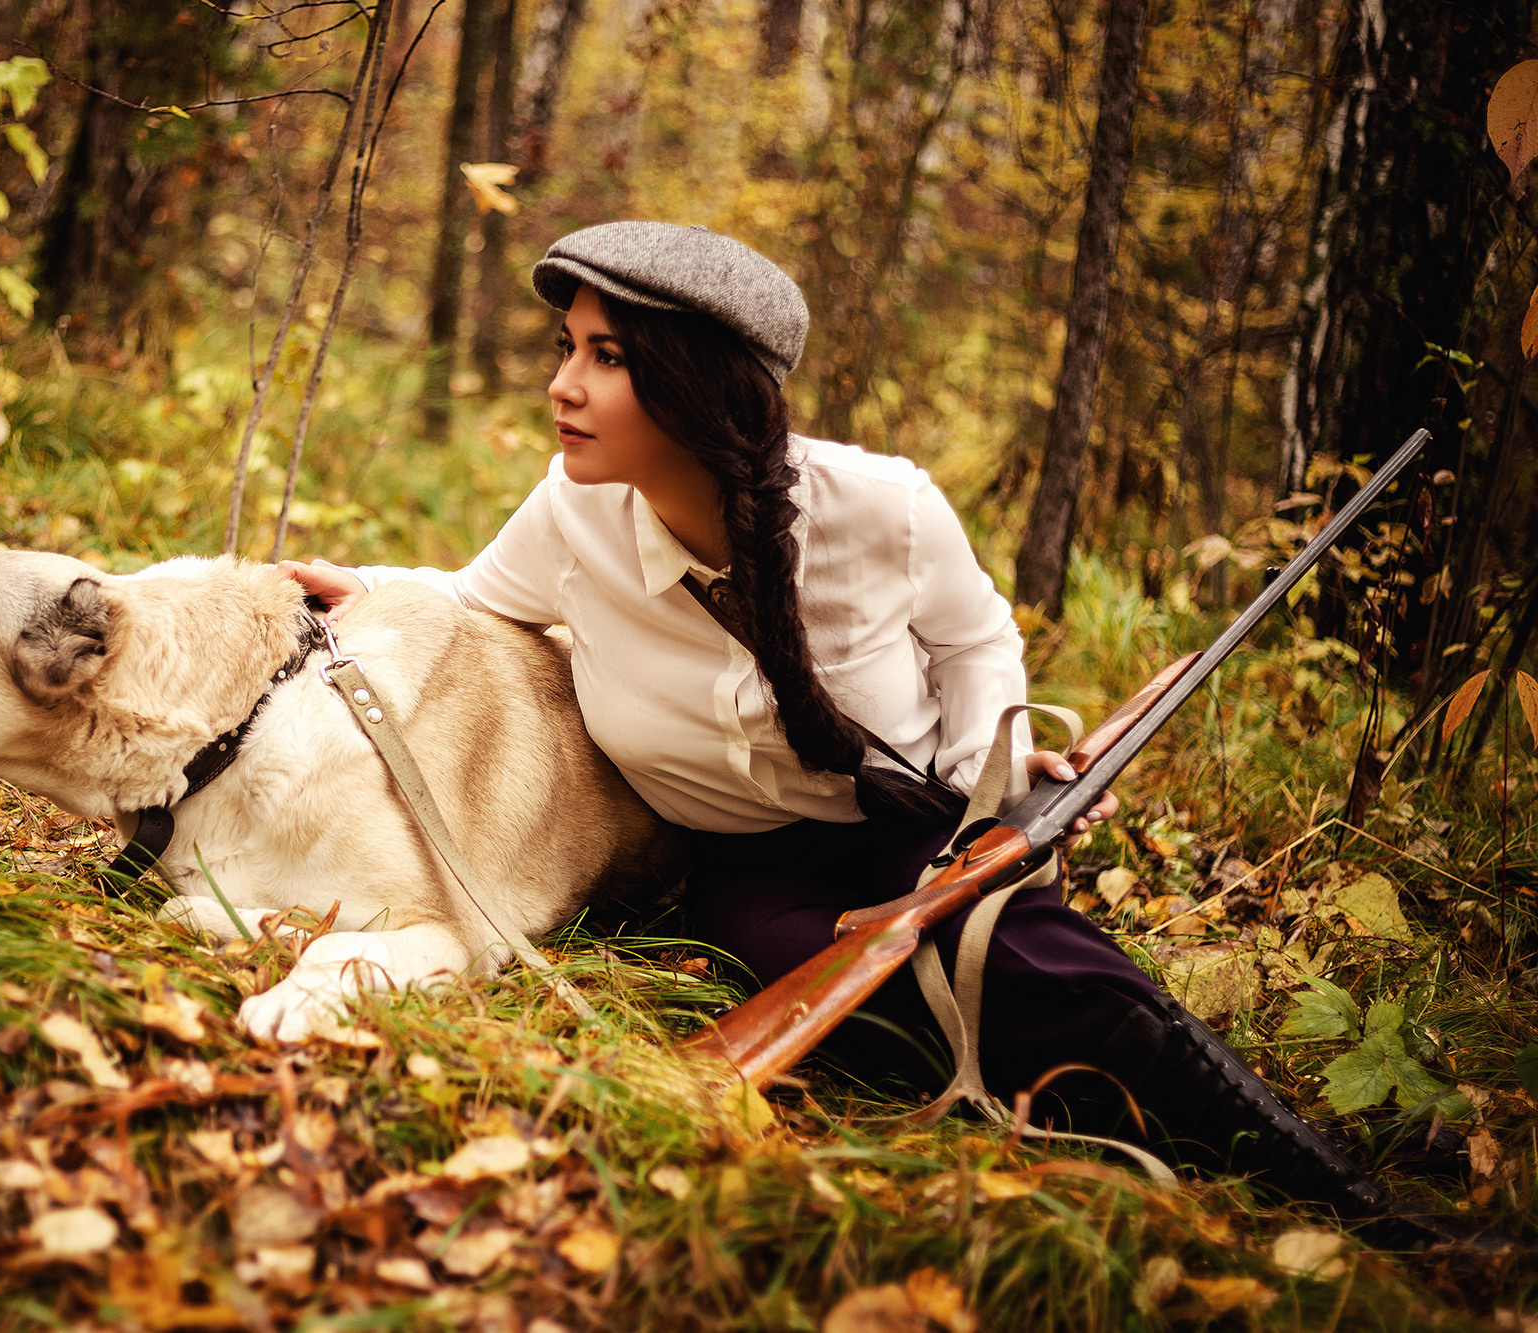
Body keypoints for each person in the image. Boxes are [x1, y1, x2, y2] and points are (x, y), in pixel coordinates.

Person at [281, 221, 1473, 1249]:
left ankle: (1334, 1183)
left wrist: (989, 784)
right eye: (566, 350)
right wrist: (361, 590)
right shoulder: (570, 514)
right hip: (740, 865)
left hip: (907, 827)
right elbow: (471, 594)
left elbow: (974, 644)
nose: (563, 385)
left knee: (1012, 953)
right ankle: (1167, 1121)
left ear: (697, 386)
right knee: (854, 997)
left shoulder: (883, 507)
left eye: (607, 357)